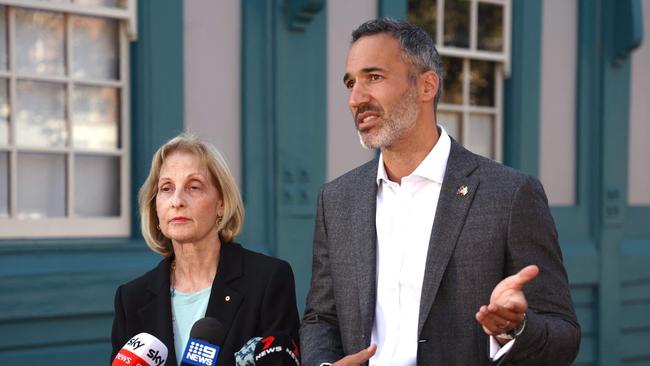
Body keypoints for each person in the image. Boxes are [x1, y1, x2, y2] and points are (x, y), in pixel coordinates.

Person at [300, 18, 580, 366]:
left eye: (374, 77)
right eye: (350, 83)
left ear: (426, 86)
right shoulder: (338, 200)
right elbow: (320, 318)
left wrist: (514, 329)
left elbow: (564, 335)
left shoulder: (510, 195)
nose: (356, 98)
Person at [111, 134, 300, 366]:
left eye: (193, 187)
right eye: (166, 188)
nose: (177, 200)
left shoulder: (268, 280)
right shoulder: (131, 298)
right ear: (155, 209)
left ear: (221, 203)